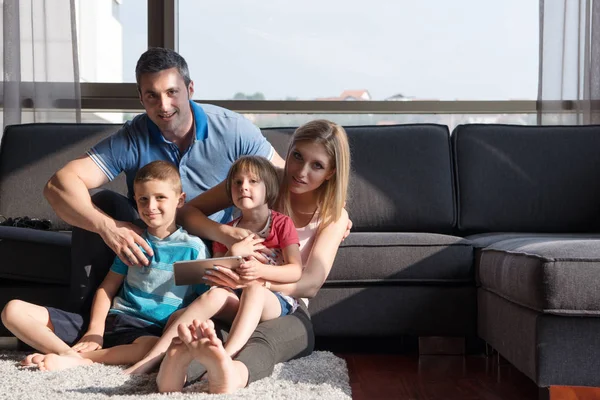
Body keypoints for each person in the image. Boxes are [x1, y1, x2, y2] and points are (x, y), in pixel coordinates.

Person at [43, 46, 285, 317]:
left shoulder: (234, 129)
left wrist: (327, 220)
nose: (164, 105)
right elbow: (57, 185)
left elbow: (282, 178)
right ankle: (85, 324)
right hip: (153, 247)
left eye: (172, 92)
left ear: (190, 89)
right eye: (152, 96)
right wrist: (108, 228)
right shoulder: (133, 137)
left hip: (213, 247)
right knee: (102, 203)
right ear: (141, 98)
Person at [145, 119, 350, 394]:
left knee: (264, 343)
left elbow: (310, 283)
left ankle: (231, 375)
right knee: (208, 333)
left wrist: (256, 282)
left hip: (287, 308)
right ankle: (173, 372)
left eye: (317, 165)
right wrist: (229, 236)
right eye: (297, 157)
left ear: (331, 172)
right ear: (288, 152)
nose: (300, 172)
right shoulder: (257, 179)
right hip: (234, 300)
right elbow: (186, 213)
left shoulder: (332, 216)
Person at [0, 160, 211, 371]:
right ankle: (69, 355)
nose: (151, 207)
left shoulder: (192, 249)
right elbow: (106, 288)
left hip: (146, 333)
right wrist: (95, 331)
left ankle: (82, 360)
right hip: (111, 321)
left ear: (180, 200)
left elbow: (203, 302)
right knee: (13, 311)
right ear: (135, 201)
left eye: (160, 198)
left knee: (153, 348)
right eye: (143, 199)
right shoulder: (133, 240)